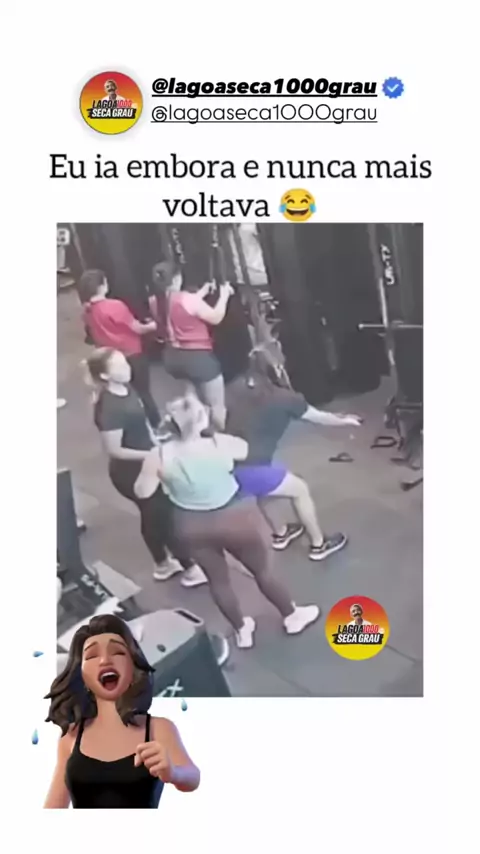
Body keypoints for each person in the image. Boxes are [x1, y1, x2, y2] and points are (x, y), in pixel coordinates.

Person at [135, 393, 321, 650]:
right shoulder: (220, 443)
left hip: (190, 525)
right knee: (262, 571)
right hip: (234, 518)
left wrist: (161, 471)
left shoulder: (157, 455)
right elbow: (246, 450)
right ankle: (292, 616)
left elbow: (143, 491)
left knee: (218, 581)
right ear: (201, 420)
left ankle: (241, 629)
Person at [44, 614, 200, 809]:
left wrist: (174, 772)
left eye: (117, 652)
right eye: (92, 655)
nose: (105, 660)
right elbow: (54, 805)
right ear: (81, 674)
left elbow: (193, 777)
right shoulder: (71, 736)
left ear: (132, 665)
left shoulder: (158, 728)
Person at [87, 347, 207, 588]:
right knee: (162, 516)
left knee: (153, 515)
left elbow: (142, 424)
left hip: (147, 460)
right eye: (119, 366)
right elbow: (115, 450)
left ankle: (162, 563)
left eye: (124, 362)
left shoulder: (127, 389)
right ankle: (189, 568)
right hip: (130, 473)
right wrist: (153, 454)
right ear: (105, 376)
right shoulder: (109, 408)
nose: (127, 368)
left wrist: (156, 441)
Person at [225, 349, 362, 558]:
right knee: (300, 490)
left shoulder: (236, 387)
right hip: (254, 467)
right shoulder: (286, 398)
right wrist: (346, 420)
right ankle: (319, 544)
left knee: (264, 490)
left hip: (229, 464)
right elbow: (319, 418)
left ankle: (281, 533)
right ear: (278, 369)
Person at [79, 268, 161, 431]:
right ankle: (156, 425)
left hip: (110, 359)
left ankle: (137, 426)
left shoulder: (87, 312)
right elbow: (137, 328)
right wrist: (155, 325)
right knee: (144, 393)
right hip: (132, 355)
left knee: (126, 394)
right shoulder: (114, 306)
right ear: (102, 287)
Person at [162, 265, 233, 429]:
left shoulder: (157, 300)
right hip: (197, 357)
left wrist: (203, 292)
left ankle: (192, 431)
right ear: (177, 278)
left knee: (192, 395)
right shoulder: (188, 300)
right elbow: (216, 317)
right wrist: (224, 295)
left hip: (173, 356)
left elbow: (181, 304)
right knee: (217, 405)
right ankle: (220, 437)